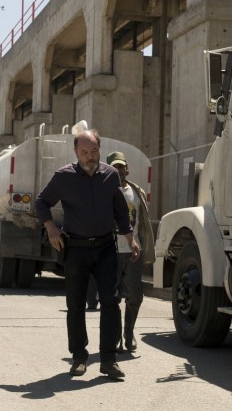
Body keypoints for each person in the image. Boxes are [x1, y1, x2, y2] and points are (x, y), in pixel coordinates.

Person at [35, 130, 140, 380]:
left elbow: (120, 210)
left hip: (106, 248)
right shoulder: (64, 176)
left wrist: (130, 237)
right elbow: (41, 202)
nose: (90, 157)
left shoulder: (110, 175)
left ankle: (108, 360)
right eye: (84, 152)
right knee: (75, 304)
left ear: (99, 150)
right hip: (76, 249)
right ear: (76, 152)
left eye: (94, 151)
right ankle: (79, 357)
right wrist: (51, 228)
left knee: (111, 301)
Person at [106, 151, 156, 352]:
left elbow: (142, 224)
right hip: (110, 251)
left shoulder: (137, 192)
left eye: (121, 166)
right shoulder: (102, 191)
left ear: (127, 169)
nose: (118, 170)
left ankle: (129, 333)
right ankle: (116, 337)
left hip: (133, 251)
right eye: (114, 167)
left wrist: (146, 248)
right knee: (111, 298)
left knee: (135, 296)